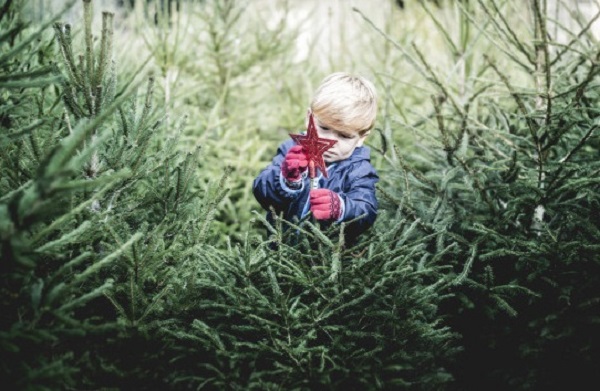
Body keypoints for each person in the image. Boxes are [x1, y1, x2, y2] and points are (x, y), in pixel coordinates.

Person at [253, 72, 379, 246]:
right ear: (309, 118)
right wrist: (287, 179)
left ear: (361, 138)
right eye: (324, 128)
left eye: (344, 136)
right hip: (279, 252)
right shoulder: (291, 150)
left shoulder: (359, 170)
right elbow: (262, 193)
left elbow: (367, 211)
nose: (329, 143)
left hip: (327, 261)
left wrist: (342, 208)